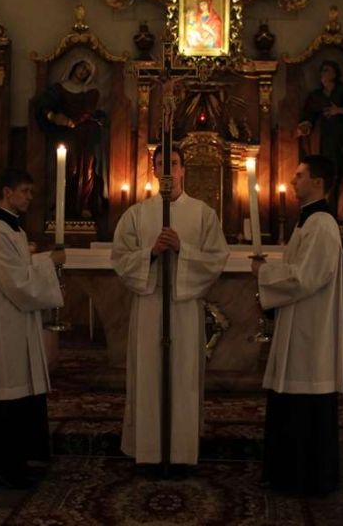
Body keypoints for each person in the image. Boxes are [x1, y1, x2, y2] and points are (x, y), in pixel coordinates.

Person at [111, 144, 229, 471]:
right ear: (153, 170)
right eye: (162, 163)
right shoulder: (137, 214)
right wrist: (149, 254)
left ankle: (181, 453)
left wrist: (182, 250)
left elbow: (216, 259)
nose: (168, 170)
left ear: (182, 169)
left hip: (184, 306)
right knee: (148, 375)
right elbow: (120, 258)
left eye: (174, 163)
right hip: (150, 304)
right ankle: (149, 452)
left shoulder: (203, 213)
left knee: (183, 375)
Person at [251, 154, 343, 497]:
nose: (293, 181)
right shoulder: (308, 222)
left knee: (305, 402)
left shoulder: (322, 225)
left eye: (300, 175)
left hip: (310, 330)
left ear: (318, 182)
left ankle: (306, 477)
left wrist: (265, 273)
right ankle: (287, 474)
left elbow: (306, 277)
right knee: (290, 399)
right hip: (298, 324)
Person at [0, 167, 65, 489]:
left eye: (31, 191)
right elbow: (16, 282)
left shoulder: (14, 229)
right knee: (7, 393)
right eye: (24, 191)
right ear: (6, 192)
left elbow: (19, 269)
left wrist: (42, 260)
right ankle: (5, 466)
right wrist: (50, 263)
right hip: (2, 322)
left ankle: (16, 461)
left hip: (15, 320)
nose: (29, 197)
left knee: (20, 391)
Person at [35, 58, 109, 220]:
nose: (83, 72)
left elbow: (88, 111)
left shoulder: (91, 91)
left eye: (87, 71)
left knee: (87, 169)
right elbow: (42, 105)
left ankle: (84, 204)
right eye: (82, 67)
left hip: (87, 136)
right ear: (74, 66)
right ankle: (63, 205)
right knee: (68, 169)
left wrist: (73, 121)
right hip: (66, 136)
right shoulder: (59, 89)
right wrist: (53, 116)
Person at [296, 60, 343, 222]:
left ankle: (341, 211)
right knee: (327, 174)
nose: (323, 74)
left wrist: (340, 110)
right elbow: (308, 115)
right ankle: (324, 209)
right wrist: (306, 126)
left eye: (326, 70)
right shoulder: (316, 96)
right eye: (321, 71)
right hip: (325, 139)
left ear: (335, 73)